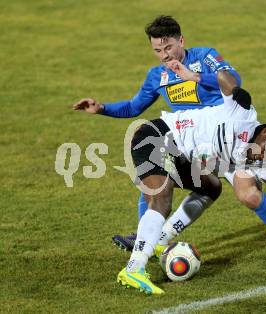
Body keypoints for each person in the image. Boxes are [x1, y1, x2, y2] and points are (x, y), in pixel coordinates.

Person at [116, 70, 266, 295]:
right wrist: (224, 86)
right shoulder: (243, 113)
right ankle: (134, 268)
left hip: (180, 155)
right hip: (156, 135)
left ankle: (158, 239)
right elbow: (223, 77)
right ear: (265, 132)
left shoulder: (259, 156)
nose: (262, 158)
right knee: (160, 196)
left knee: (212, 188)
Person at [72, 15, 241, 249]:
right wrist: (102, 108)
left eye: (168, 47)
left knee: (252, 192)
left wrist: (194, 76)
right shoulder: (156, 76)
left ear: (181, 40)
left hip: (219, 138)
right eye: (157, 50)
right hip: (186, 141)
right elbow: (133, 106)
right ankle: (146, 240)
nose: (164, 55)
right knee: (153, 178)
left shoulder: (204, 57)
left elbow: (234, 81)